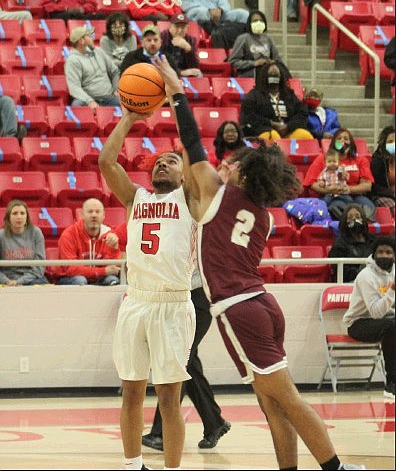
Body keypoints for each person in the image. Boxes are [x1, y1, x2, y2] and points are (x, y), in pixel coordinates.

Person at [154, 53, 365, 471]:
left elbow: (192, 142)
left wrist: (177, 94)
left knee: (285, 398)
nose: (226, 164)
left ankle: (336, 468)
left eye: (233, 163)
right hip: (262, 305)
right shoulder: (265, 215)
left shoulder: (217, 191)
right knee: (271, 403)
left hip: (238, 309)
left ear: (244, 175)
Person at [98, 125, 197, 470]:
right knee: (131, 391)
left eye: (171, 161)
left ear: (185, 174)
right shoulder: (135, 198)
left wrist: (186, 142)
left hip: (172, 304)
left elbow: (198, 165)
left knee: (169, 398)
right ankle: (133, 465)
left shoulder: (189, 200)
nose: (162, 164)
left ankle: (172, 468)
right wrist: (126, 118)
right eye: (158, 161)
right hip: (136, 301)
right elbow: (106, 161)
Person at [142, 267, 231, 452]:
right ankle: (214, 422)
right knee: (189, 366)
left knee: (178, 363)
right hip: (185, 300)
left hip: (196, 299)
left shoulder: (195, 238)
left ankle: (161, 434)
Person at [343, 236, 395, 399]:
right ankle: (391, 383)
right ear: (373, 255)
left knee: (391, 326)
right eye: (380, 252)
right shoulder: (366, 276)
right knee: (391, 327)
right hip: (359, 323)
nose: (384, 256)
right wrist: (393, 289)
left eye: (388, 252)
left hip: (388, 320)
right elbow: (375, 313)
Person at [303, 128, 376, 221]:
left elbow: (367, 185)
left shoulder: (361, 160)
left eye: (346, 139)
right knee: (338, 208)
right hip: (332, 196)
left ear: (351, 144)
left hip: (355, 195)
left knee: (368, 207)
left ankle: (362, 229)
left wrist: (349, 189)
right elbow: (311, 183)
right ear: (333, 143)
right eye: (339, 138)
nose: (342, 141)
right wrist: (328, 189)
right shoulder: (322, 159)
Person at [240, 60, 313, 140]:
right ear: (264, 76)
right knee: (273, 136)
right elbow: (250, 116)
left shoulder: (289, 94)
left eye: (276, 75)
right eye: (271, 74)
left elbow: (302, 113)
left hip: (288, 130)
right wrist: (272, 124)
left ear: (281, 77)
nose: (274, 77)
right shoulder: (254, 95)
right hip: (264, 131)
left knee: (305, 135)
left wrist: (288, 126)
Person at [57, 198, 121, 286]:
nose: (94, 215)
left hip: (100, 277)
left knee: (112, 280)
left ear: (103, 216)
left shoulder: (110, 235)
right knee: (80, 280)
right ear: (82, 215)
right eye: (90, 212)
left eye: (98, 212)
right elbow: (70, 269)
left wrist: (114, 249)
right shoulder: (69, 234)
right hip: (71, 277)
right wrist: (102, 271)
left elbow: (114, 267)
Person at [65, 25, 120, 110]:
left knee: (128, 103)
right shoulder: (72, 60)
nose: (92, 38)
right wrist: (89, 101)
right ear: (81, 41)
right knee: (77, 105)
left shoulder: (99, 51)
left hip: (109, 97)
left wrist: (117, 89)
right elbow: (74, 87)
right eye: (89, 36)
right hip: (88, 99)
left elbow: (115, 72)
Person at [0, 199, 48, 286]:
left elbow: (40, 266)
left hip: (32, 278)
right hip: (7, 279)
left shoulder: (36, 232)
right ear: (8, 217)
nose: (19, 217)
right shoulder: (1, 235)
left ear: (27, 216)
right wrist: (6, 281)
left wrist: (20, 281)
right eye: (15, 213)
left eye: (22, 213)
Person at [228, 9, 284, 78]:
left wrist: (272, 62)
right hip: (249, 73)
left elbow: (278, 59)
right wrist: (255, 63)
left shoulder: (268, 38)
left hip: (267, 71)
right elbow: (233, 62)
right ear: (249, 23)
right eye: (255, 21)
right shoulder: (243, 38)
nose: (258, 23)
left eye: (261, 21)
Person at [328, 204, 375, 283]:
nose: (354, 220)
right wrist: (361, 273)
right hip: (350, 281)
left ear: (363, 220)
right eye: (350, 218)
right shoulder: (339, 243)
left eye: (357, 217)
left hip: (373, 279)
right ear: (344, 222)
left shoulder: (373, 240)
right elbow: (339, 269)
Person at [160, 13, 202, 77]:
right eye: (177, 27)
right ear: (170, 27)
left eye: (183, 27)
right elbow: (160, 63)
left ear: (187, 28)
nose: (180, 30)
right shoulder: (163, 37)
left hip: (185, 71)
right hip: (167, 72)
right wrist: (180, 73)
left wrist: (189, 50)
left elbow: (195, 66)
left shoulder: (191, 40)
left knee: (198, 74)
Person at [369, 125, 395, 214]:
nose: (393, 144)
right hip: (382, 196)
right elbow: (374, 187)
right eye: (390, 142)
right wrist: (391, 194)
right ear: (384, 144)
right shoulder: (378, 161)